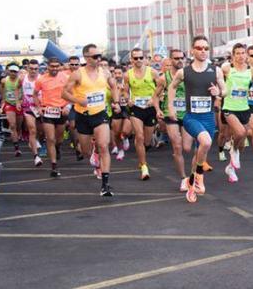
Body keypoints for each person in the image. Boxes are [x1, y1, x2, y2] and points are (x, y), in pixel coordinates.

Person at [167, 35, 226, 203]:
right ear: (192, 50)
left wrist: (219, 93)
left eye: (206, 48)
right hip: (191, 117)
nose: (203, 51)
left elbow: (225, 90)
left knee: (198, 153)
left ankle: (191, 184)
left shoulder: (216, 70)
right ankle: (199, 176)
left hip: (208, 118)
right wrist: (171, 107)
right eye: (199, 48)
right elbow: (171, 87)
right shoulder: (183, 72)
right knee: (206, 142)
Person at [62, 44, 120, 197]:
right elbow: (64, 93)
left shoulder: (105, 72)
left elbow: (114, 86)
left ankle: (105, 185)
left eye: (99, 56)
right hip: (83, 115)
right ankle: (92, 152)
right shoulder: (77, 74)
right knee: (86, 151)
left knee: (103, 146)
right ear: (87, 58)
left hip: (100, 114)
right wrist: (77, 100)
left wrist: (116, 102)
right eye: (95, 57)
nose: (98, 59)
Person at [221, 43, 253, 182]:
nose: (241, 56)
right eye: (238, 53)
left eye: (243, 53)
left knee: (242, 143)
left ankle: (230, 168)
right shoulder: (227, 68)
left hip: (244, 108)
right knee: (241, 132)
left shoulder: (251, 71)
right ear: (233, 55)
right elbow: (218, 81)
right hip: (229, 108)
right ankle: (233, 151)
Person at [154, 49, 188, 191]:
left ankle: (194, 174)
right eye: (176, 58)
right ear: (171, 60)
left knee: (186, 147)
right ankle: (183, 178)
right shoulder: (164, 78)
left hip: (187, 114)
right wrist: (158, 110)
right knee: (177, 146)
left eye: (182, 58)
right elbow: (155, 96)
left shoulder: (189, 75)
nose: (179, 60)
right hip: (171, 115)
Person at [124, 48, 158, 180]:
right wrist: (128, 100)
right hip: (136, 108)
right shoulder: (128, 74)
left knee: (147, 141)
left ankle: (144, 151)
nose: (138, 60)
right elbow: (125, 91)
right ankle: (144, 166)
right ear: (131, 60)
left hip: (150, 108)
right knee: (139, 136)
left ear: (144, 58)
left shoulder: (153, 72)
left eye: (140, 58)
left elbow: (161, 87)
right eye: (135, 58)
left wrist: (154, 98)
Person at [34, 57, 70, 176]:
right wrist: (39, 107)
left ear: (59, 66)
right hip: (48, 111)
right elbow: (34, 94)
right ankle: (54, 166)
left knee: (59, 139)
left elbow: (72, 93)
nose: (54, 68)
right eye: (52, 66)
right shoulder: (41, 79)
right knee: (50, 139)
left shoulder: (65, 77)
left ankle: (58, 148)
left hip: (61, 111)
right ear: (48, 66)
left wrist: (67, 106)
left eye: (56, 66)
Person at [19, 59, 42, 165]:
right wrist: (17, 101)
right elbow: (17, 88)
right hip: (28, 107)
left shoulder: (41, 79)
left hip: (40, 107)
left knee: (41, 131)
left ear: (38, 69)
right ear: (27, 68)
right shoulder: (23, 78)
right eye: (31, 68)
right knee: (32, 130)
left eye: (36, 69)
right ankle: (36, 157)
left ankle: (35, 141)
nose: (33, 71)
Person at [0, 63, 24, 157]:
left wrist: (22, 100)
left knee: (18, 126)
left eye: (15, 72)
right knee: (12, 125)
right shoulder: (4, 80)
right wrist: (3, 98)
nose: (13, 73)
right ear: (8, 72)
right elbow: (1, 88)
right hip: (9, 104)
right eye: (11, 71)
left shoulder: (20, 80)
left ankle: (18, 135)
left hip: (19, 104)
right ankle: (16, 148)